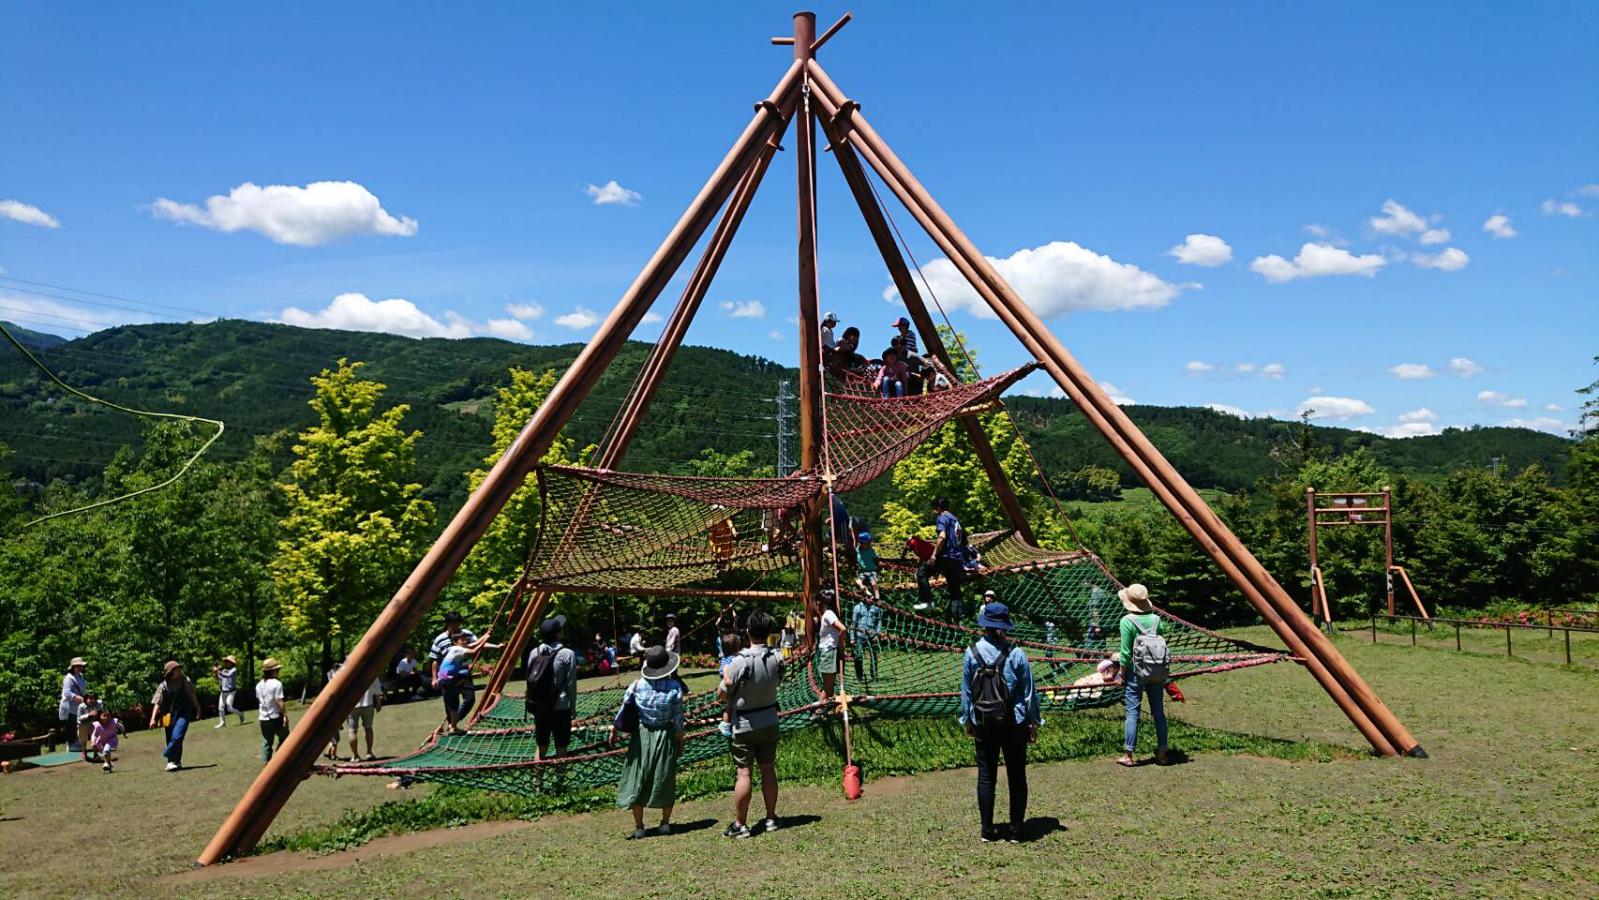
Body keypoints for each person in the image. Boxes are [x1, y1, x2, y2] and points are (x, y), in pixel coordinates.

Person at [958, 599, 1040, 843]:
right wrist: (1033, 722)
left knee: (986, 775)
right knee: (1017, 775)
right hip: (1013, 723)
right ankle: (1016, 829)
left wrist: (968, 719)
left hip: (983, 721)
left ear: (984, 625)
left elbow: (966, 692)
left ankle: (987, 830)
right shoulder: (1016, 654)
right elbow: (1028, 693)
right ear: (1005, 625)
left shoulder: (971, 652)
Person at [719, 611, 786, 838]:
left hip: (745, 723)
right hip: (769, 719)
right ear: (768, 633)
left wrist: (728, 685)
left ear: (747, 631)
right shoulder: (777, 657)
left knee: (744, 773)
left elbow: (722, 693)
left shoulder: (741, 661)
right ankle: (770, 817)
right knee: (768, 768)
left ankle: (740, 824)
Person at [613, 645, 686, 839]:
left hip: (642, 735)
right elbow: (678, 719)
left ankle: (639, 826)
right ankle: (664, 823)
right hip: (665, 735)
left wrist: (614, 730)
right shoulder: (675, 687)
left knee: (638, 776)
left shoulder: (637, 685)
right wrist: (680, 740)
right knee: (665, 776)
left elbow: (623, 710)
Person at [1116, 584, 1169, 767]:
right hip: (1157, 671)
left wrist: (1121, 675)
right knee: (1158, 712)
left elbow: (1125, 653)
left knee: (1133, 712)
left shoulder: (1127, 621)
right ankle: (1162, 752)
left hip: (1135, 672)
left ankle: (1129, 755)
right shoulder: (1156, 620)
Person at [429, 611, 494, 734]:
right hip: (447, 675)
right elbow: (435, 660)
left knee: (469, 699)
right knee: (450, 703)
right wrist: (434, 678)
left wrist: (492, 642)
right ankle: (453, 726)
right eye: (453, 624)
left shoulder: (466, 634)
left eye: (458, 624)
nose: (456, 627)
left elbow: (479, 644)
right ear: (447, 624)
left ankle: (453, 723)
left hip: (463, 672)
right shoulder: (439, 639)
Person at [526, 615, 579, 759]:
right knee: (561, 747)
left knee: (541, 745)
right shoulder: (567, 654)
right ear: (558, 634)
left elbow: (530, 681)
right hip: (560, 707)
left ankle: (538, 781)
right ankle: (560, 780)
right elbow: (571, 685)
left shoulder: (534, 652)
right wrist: (572, 708)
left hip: (541, 707)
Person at [918, 497, 975, 620]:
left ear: (938, 508)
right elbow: (964, 539)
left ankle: (927, 603)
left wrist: (934, 555)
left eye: (934, 508)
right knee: (954, 586)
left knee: (921, 573)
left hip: (946, 556)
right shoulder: (955, 519)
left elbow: (942, 537)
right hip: (957, 559)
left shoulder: (942, 517)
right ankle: (957, 613)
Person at [149, 660, 200, 772]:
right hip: (169, 715)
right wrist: (153, 719)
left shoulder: (185, 680)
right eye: (177, 669)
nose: (180, 670)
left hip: (184, 712)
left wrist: (198, 708)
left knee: (177, 736)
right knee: (171, 738)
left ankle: (169, 756)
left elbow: (192, 694)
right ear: (170, 672)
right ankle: (175, 761)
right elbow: (157, 702)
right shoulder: (163, 686)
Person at [257, 657, 289, 763]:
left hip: (263, 718)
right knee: (285, 737)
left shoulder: (259, 685)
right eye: (277, 670)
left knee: (267, 742)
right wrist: (284, 715)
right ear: (272, 671)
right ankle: (279, 757)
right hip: (275, 716)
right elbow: (279, 700)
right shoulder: (277, 683)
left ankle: (267, 765)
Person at [347, 670, 383, 761]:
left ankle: (355, 756)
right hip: (368, 704)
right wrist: (378, 703)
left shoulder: (348, 673)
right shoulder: (370, 672)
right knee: (368, 728)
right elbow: (377, 689)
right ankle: (369, 752)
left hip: (352, 706)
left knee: (352, 730)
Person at [815, 598, 847, 701]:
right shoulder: (827, 614)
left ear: (822, 602)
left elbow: (842, 629)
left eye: (817, 601)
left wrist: (841, 646)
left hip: (829, 652)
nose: (816, 604)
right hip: (828, 652)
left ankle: (818, 710)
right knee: (829, 686)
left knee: (827, 687)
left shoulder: (828, 613)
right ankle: (826, 706)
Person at [850, 590, 882, 685]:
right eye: (868, 597)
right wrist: (852, 638)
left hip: (872, 635)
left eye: (871, 597)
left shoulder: (876, 608)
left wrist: (877, 633)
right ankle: (859, 677)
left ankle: (874, 676)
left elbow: (879, 622)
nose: (870, 599)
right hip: (859, 636)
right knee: (858, 656)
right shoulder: (857, 607)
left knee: (873, 656)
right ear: (864, 597)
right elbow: (853, 623)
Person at [59, 657, 88, 752]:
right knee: (71, 726)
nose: (80, 667)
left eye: (81, 666)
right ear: (73, 667)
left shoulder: (80, 676)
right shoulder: (68, 678)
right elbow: (66, 692)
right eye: (78, 666)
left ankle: (75, 744)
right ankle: (71, 745)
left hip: (77, 706)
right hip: (69, 706)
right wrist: (76, 697)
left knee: (77, 725)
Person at [213, 656, 245, 727]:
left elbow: (228, 675)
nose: (226, 663)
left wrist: (218, 671)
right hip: (223, 691)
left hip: (231, 691)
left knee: (229, 708)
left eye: (228, 661)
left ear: (232, 663)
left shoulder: (234, 669)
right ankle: (222, 722)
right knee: (220, 707)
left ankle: (241, 714)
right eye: (226, 661)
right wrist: (216, 674)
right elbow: (220, 678)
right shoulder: (224, 670)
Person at [90, 707, 125, 773]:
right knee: (105, 752)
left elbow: (121, 726)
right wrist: (93, 742)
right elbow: (94, 735)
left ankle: (106, 763)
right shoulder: (97, 725)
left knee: (106, 750)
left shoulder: (113, 722)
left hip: (111, 739)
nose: (106, 718)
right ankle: (110, 764)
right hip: (101, 740)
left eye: (108, 716)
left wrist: (124, 733)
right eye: (104, 716)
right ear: (99, 716)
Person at [76, 691, 106, 762]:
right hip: (82, 725)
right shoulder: (81, 706)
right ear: (86, 699)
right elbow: (78, 718)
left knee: (95, 738)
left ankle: (96, 755)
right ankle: (84, 753)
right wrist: (88, 715)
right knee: (83, 740)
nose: (92, 700)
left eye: (93, 698)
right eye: (90, 698)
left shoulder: (99, 704)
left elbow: (104, 712)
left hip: (93, 723)